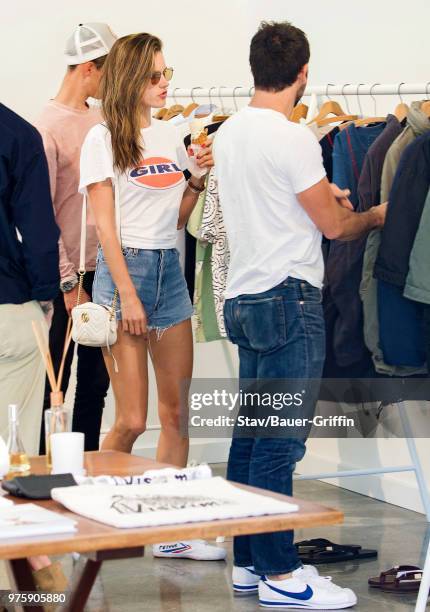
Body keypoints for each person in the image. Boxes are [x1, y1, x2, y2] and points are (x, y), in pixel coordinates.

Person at [213, 21, 387, 609]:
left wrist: (322, 199)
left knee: (249, 438)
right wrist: (377, 215)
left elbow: (276, 202)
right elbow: (335, 227)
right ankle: (284, 576)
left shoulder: (230, 133)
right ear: (304, 73)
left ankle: (248, 564)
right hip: (288, 300)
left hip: (244, 298)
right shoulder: (293, 138)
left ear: (255, 68)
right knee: (280, 445)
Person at [79, 32, 225, 561]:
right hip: (127, 275)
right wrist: (126, 295)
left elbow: (179, 221)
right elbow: (105, 230)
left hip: (170, 271)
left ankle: (170, 528)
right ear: (130, 78)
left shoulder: (173, 133)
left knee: (178, 413)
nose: (165, 84)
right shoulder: (103, 140)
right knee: (132, 419)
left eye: (168, 73)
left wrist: (193, 180)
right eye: (155, 75)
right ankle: (83, 510)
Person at [34, 23, 117, 453]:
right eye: (110, 70)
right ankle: (44, 478)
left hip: (105, 271)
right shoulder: (45, 128)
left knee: (96, 384)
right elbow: (41, 215)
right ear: (89, 68)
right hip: (66, 277)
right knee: (56, 384)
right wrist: (69, 282)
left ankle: (88, 472)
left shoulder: (103, 119)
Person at [0, 102, 67, 608]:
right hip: (9, 309)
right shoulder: (17, 134)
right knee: (9, 453)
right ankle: (17, 583)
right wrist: (46, 297)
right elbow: (39, 230)